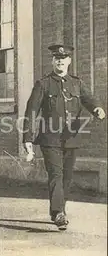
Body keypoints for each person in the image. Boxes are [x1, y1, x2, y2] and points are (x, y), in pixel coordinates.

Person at [22, 44, 105, 231]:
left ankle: (60, 211)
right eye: (56, 58)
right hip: (49, 138)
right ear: (53, 61)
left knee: (67, 177)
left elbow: (89, 99)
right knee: (56, 174)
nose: (60, 60)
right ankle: (58, 212)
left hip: (71, 137)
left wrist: (97, 108)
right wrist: (28, 138)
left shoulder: (77, 83)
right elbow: (31, 111)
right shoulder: (43, 84)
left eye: (64, 58)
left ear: (69, 61)